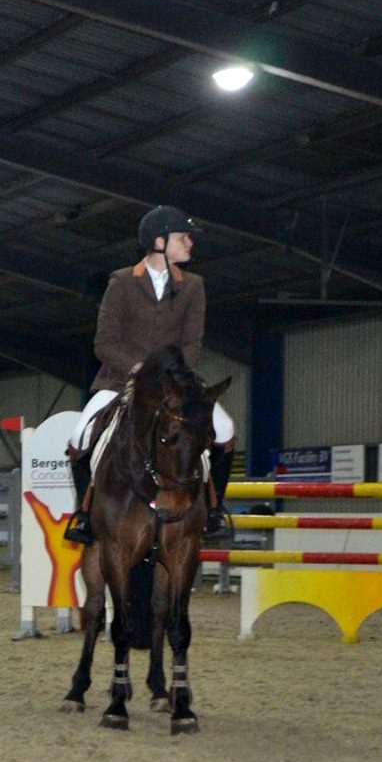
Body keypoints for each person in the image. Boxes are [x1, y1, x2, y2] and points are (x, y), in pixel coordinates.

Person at [63, 205, 236, 545]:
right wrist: (137, 367)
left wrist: (173, 374)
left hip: (177, 379)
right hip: (120, 378)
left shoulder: (194, 286)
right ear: (159, 242)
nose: (189, 243)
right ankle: (84, 513)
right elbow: (104, 342)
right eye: (183, 237)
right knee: (80, 437)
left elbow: (192, 342)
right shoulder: (122, 283)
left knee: (226, 431)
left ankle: (214, 510)